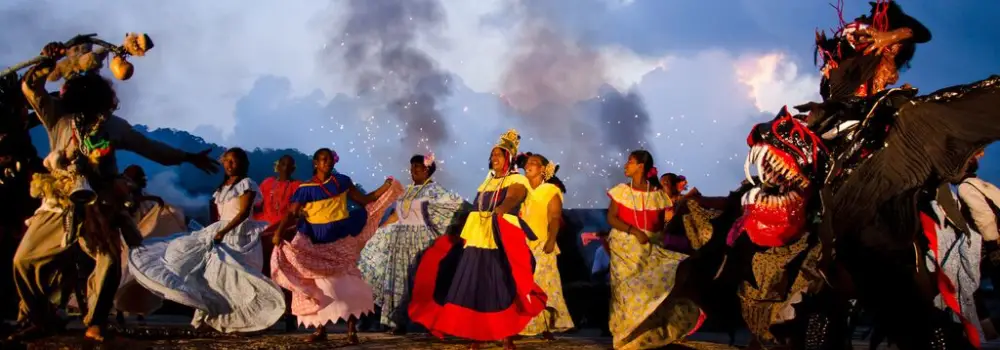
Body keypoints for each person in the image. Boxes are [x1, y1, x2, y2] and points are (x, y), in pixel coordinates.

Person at [10, 41, 218, 342]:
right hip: (59, 201)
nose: (67, 92)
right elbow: (31, 88)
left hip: (99, 202)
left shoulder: (112, 126)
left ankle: (96, 322)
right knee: (24, 261)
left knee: (107, 261)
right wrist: (47, 60)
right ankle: (37, 318)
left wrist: (187, 157)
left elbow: (150, 147)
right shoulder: (56, 116)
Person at [408, 129, 546, 350]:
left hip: (499, 238)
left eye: (498, 155)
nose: (494, 159)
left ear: (509, 158)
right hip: (477, 237)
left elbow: (514, 197)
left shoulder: (517, 179)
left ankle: (506, 334)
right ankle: (476, 334)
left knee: (501, 284)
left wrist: (501, 209)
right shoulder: (487, 181)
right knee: (473, 284)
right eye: (492, 155)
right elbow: (477, 205)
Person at [128, 148, 285, 333]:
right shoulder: (224, 187)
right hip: (220, 232)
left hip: (238, 236)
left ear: (242, 163)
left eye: (233, 161)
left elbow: (243, 214)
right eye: (226, 161)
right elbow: (220, 213)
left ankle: (235, 321)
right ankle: (209, 318)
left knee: (234, 278)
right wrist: (215, 231)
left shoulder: (247, 184)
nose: (229, 165)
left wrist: (223, 231)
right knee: (211, 276)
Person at [271, 148, 402, 344]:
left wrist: (385, 187)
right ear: (315, 163)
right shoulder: (305, 188)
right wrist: (279, 233)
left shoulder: (342, 182)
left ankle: (351, 331)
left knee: (345, 283)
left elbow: (364, 200)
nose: (327, 162)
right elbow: (291, 212)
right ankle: (320, 329)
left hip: (339, 237)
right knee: (317, 284)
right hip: (314, 238)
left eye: (330, 159)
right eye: (323, 159)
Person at [358, 153, 467, 334]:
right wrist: (379, 231)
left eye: (418, 167)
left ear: (428, 170)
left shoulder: (434, 190)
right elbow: (396, 215)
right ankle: (397, 323)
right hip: (400, 241)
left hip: (421, 242)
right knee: (398, 281)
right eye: (412, 167)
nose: (414, 170)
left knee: (421, 283)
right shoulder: (407, 191)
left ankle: (427, 322)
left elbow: (457, 206)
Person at [605, 150, 701, 349]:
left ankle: (649, 335)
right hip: (624, 249)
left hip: (650, 249)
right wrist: (634, 231)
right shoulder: (621, 191)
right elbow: (611, 218)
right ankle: (624, 337)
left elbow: (660, 225)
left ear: (641, 166)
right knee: (625, 294)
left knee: (654, 291)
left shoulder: (657, 195)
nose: (625, 165)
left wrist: (652, 238)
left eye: (630, 162)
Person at [112, 165, 186, 322]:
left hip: (141, 243)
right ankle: (117, 309)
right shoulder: (122, 196)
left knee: (141, 277)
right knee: (122, 273)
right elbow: (128, 208)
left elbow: (150, 218)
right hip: (124, 239)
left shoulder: (145, 196)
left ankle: (139, 310)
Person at [516, 152, 574, 339]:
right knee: (522, 286)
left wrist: (551, 240)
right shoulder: (521, 189)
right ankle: (522, 326)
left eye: (534, 163)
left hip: (541, 244)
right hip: (520, 244)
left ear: (542, 169)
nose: (528, 165)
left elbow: (555, 217)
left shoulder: (550, 190)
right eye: (527, 163)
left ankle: (547, 326)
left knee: (543, 286)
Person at [253, 154, 301, 331]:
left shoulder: (297, 186)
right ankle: (267, 315)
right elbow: (257, 205)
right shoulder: (266, 183)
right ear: (277, 165)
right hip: (264, 233)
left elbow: (295, 212)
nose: (285, 167)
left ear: (293, 169)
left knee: (285, 274)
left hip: (285, 234)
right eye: (282, 163)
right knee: (265, 273)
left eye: (289, 165)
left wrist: (282, 231)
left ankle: (289, 314)